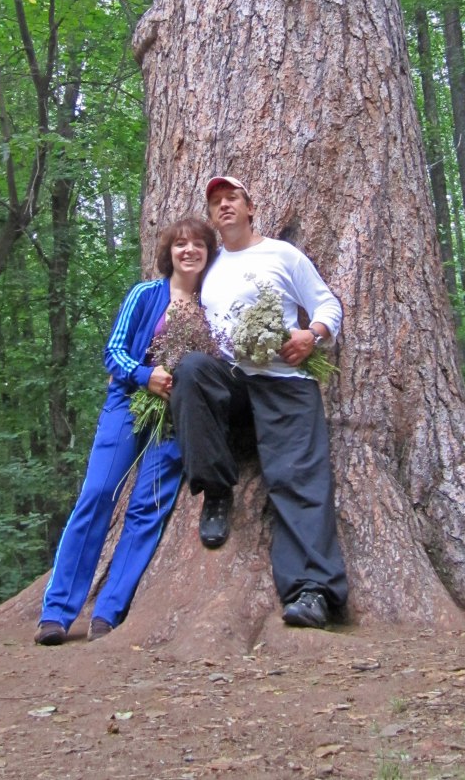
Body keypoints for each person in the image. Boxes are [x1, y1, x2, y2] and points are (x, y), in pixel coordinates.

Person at [171, 176, 348, 630]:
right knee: (190, 369)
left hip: (283, 381)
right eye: (215, 202)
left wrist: (313, 335)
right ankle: (214, 489)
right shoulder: (209, 268)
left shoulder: (282, 255)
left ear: (251, 208)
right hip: (232, 384)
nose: (224, 206)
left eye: (232, 198)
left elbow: (328, 304)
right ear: (212, 217)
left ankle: (313, 592)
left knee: (297, 479)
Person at [35, 215, 217, 645]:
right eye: (180, 245)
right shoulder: (146, 294)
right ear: (168, 253)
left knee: (147, 507)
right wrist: (144, 374)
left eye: (198, 246)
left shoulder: (213, 303)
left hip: (176, 417)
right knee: (98, 493)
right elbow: (114, 350)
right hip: (128, 402)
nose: (188, 251)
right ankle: (57, 611)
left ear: (209, 255)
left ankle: (109, 612)